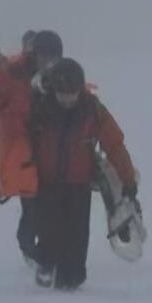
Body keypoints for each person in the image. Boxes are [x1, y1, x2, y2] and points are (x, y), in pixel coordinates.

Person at [27, 57, 137, 290]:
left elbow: (114, 145)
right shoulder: (39, 110)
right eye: (62, 93)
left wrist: (127, 179)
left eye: (72, 93)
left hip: (79, 185)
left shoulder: (93, 111)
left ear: (80, 89)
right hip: (46, 184)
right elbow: (19, 140)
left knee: (77, 238)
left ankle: (72, 283)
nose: (67, 98)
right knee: (49, 232)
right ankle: (44, 269)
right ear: (54, 90)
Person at [0, 30, 65, 265]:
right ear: (35, 54)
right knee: (32, 206)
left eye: (54, 57)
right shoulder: (11, 74)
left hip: (50, 151)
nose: (49, 62)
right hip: (21, 151)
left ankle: (48, 252)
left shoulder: (62, 77)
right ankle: (28, 247)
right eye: (45, 56)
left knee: (52, 204)